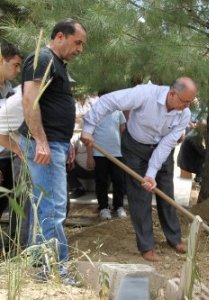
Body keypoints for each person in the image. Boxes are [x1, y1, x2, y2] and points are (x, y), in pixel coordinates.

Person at [81, 77, 197, 261]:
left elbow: (167, 144)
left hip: (161, 150)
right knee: (140, 196)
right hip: (135, 147)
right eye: (184, 101)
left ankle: (174, 238)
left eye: (190, 102)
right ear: (172, 93)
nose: (187, 106)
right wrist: (88, 128)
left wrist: (151, 173)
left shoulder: (184, 114)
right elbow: (108, 101)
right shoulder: (144, 94)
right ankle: (146, 246)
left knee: (166, 191)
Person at [18, 18, 87, 275]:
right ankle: (57, 270)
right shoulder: (44, 58)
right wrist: (42, 142)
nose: (80, 49)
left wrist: (63, 141)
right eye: (77, 42)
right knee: (54, 208)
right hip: (44, 145)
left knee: (44, 207)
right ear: (60, 36)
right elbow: (29, 100)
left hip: (54, 143)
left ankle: (40, 265)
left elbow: (51, 106)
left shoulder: (57, 63)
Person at [0, 43, 23, 218]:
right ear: (1, 60)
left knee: (4, 202)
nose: (18, 70)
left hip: (9, 154)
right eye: (15, 65)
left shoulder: (10, 89)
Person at [91, 109, 127, 220]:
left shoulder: (118, 112)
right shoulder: (95, 111)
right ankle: (103, 207)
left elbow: (122, 129)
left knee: (119, 180)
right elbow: (89, 134)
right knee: (101, 181)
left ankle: (119, 206)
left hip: (117, 153)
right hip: (99, 152)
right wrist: (89, 155)